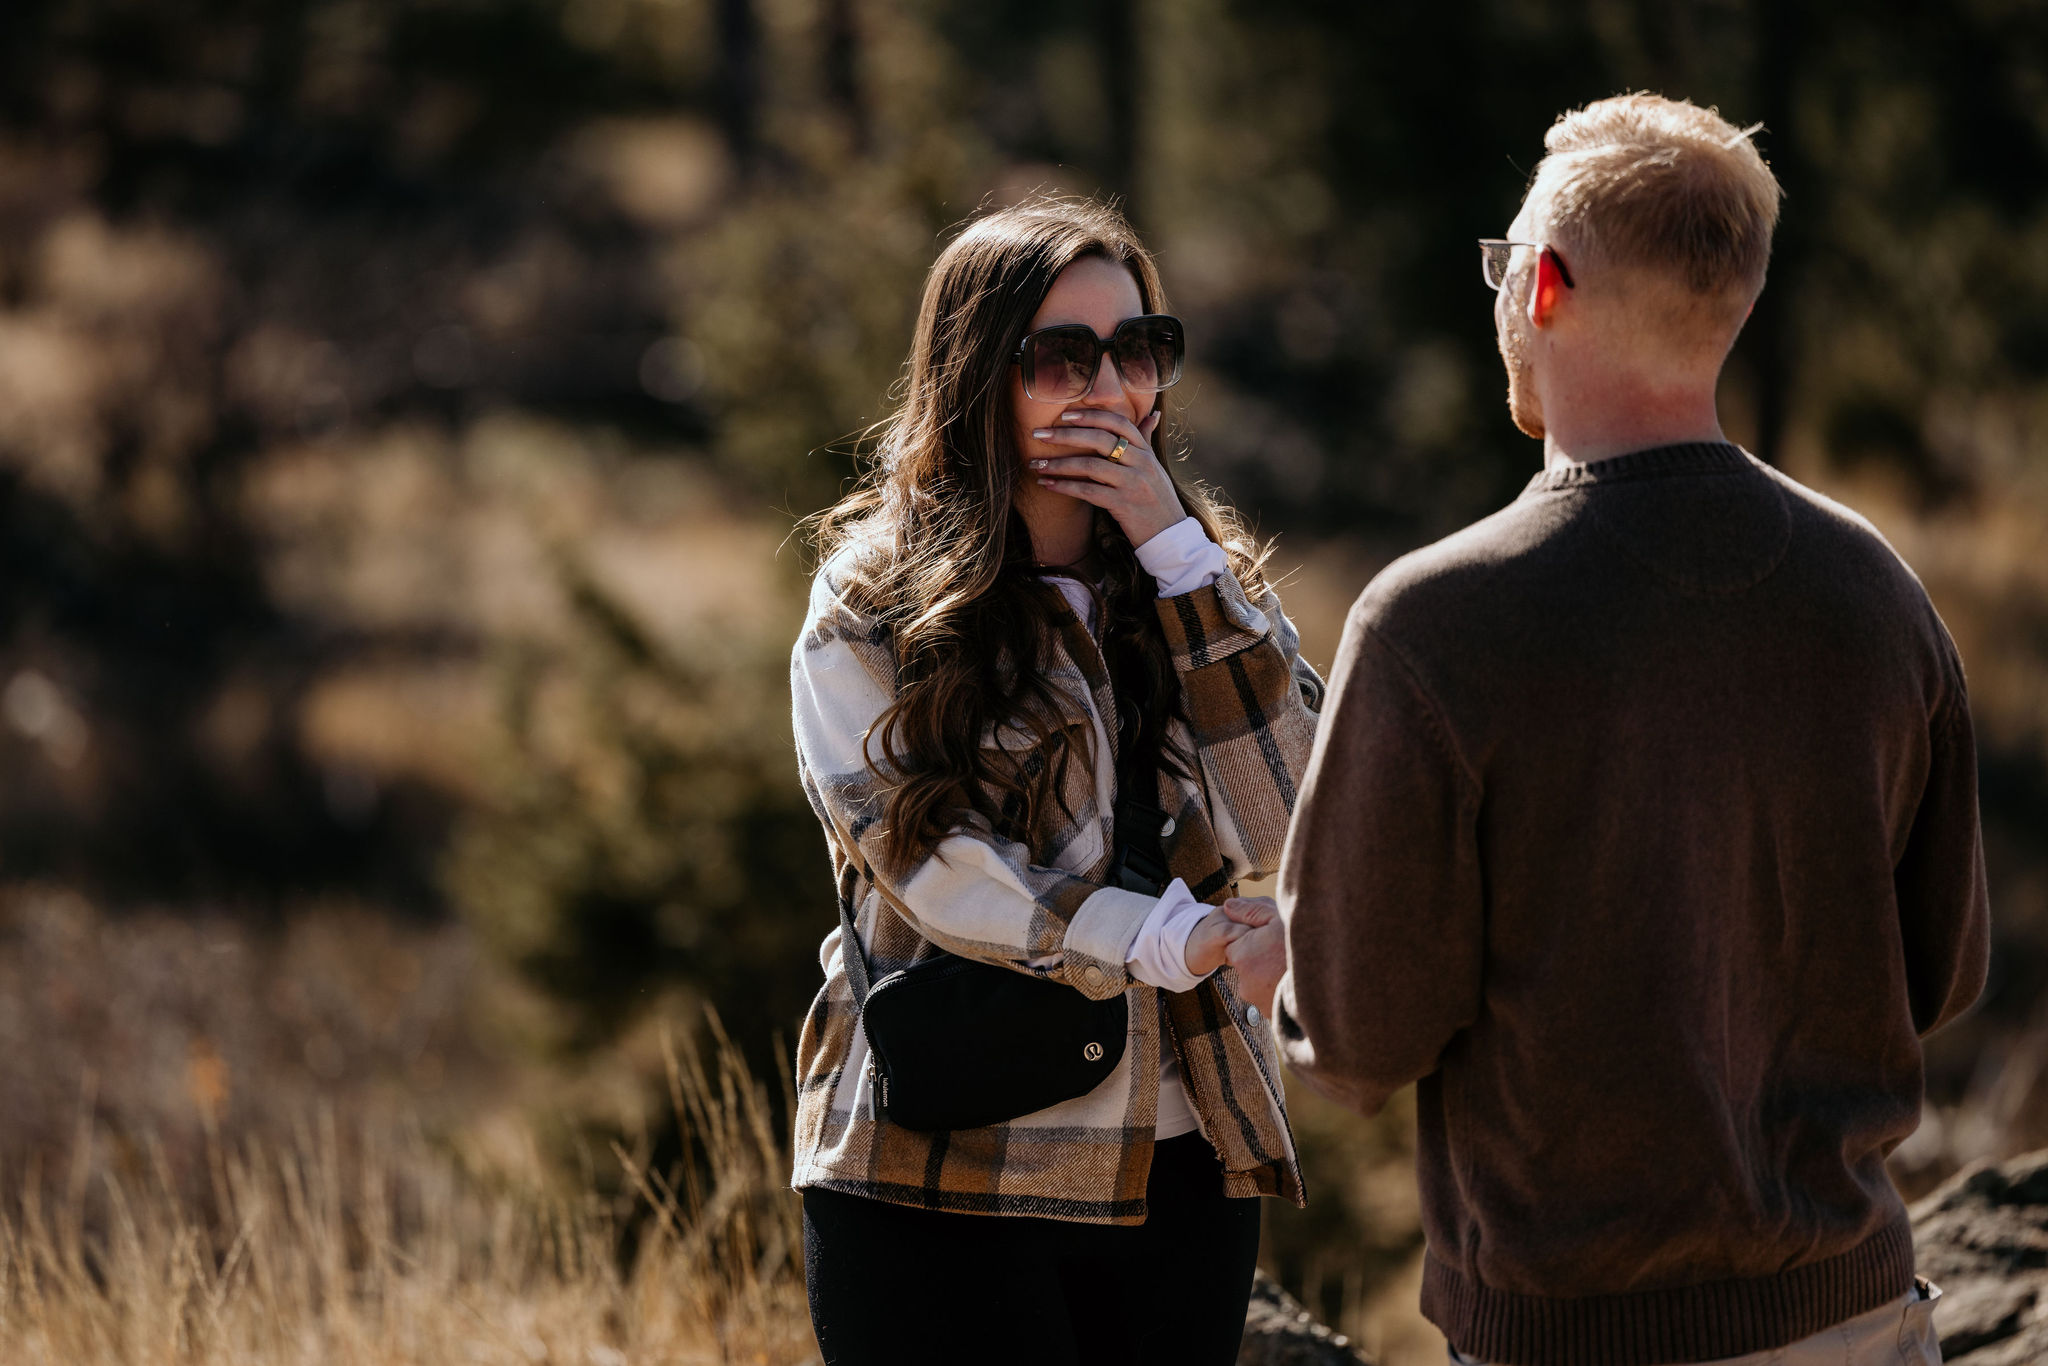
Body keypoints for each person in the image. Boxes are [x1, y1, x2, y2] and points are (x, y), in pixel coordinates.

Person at [1229, 94, 1991, 1366]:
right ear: (1733, 302)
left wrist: (1287, 976)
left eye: (1500, 263)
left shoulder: (1433, 620)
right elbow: (1944, 973)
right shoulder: (1877, 594)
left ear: (1540, 287)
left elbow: (1359, 1044)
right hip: (1853, 1322)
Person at [788, 195, 1321, 1366]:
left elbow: (1298, 815)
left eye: (1137, 350)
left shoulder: (1195, 576)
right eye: (1060, 356)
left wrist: (1176, 555)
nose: (1110, 389)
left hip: (1175, 1152)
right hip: (933, 1164)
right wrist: (1155, 937)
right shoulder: (869, 603)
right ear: (976, 375)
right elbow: (933, 871)